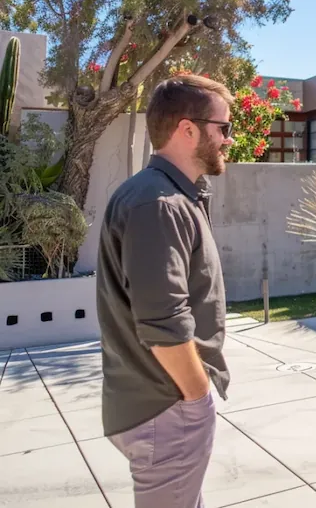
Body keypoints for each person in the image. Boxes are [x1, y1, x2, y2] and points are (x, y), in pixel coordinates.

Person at [96, 75, 235, 508]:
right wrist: (197, 397)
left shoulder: (169, 196)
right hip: (167, 407)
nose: (229, 139)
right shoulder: (159, 203)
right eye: (224, 127)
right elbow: (163, 323)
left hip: (163, 405)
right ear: (187, 129)